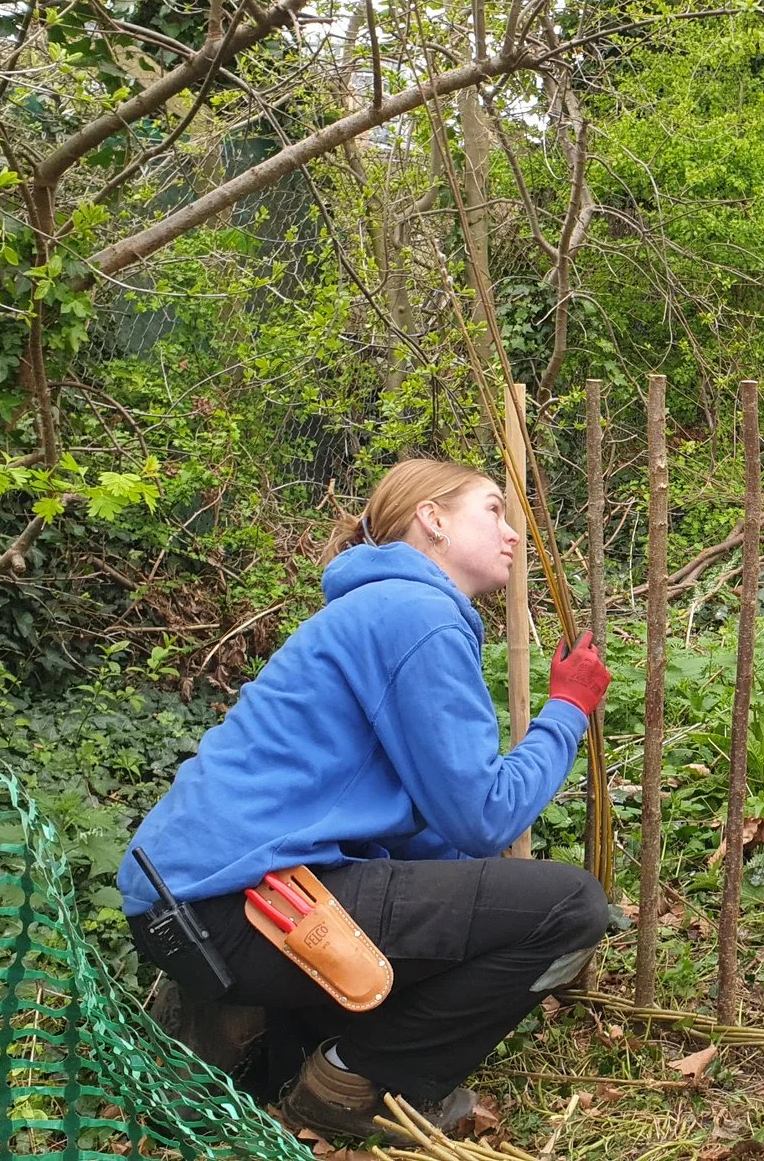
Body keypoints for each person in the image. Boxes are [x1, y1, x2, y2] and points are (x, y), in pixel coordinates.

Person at [118, 459, 614, 1141]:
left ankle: (254, 1039)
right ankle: (351, 1081)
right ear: (432, 520)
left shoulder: (378, 610)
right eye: (493, 510)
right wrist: (567, 709)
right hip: (243, 907)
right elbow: (484, 815)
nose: (513, 535)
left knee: (490, 908)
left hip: (188, 908)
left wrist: (481, 895)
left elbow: (428, 835)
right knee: (569, 908)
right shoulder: (418, 616)